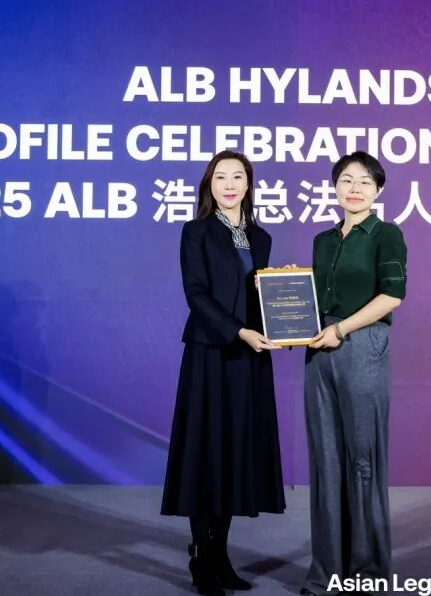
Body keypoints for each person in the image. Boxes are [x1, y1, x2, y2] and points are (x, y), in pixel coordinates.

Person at [160, 150, 286, 596]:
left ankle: (221, 554)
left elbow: (259, 298)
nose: (229, 184)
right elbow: (196, 293)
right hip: (210, 353)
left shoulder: (260, 237)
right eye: (220, 177)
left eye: (237, 177)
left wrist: (284, 314)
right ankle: (200, 556)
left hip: (249, 358)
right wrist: (237, 331)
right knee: (206, 450)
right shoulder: (195, 232)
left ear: (248, 184)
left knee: (234, 453)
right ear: (209, 184)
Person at [301, 151, 407, 596]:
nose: (355, 188)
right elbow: (313, 298)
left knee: (363, 459)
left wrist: (341, 329)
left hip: (361, 346)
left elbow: (392, 296)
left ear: (378, 190)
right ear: (335, 187)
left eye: (365, 181)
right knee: (325, 461)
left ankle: (367, 571)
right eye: (346, 180)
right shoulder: (323, 241)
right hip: (319, 352)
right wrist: (286, 292)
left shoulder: (386, 234)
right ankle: (326, 572)